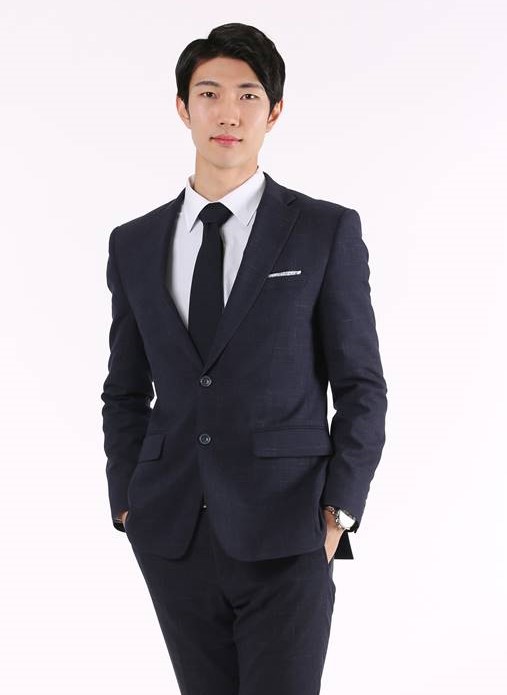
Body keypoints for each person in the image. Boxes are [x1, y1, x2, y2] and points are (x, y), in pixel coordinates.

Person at [101, 22, 387, 695]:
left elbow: (361, 385)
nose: (227, 113)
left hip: (289, 532)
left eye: (247, 95)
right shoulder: (134, 243)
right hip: (171, 534)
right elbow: (124, 389)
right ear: (183, 107)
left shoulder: (323, 230)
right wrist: (128, 503)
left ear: (274, 111)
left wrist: (337, 513)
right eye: (209, 94)